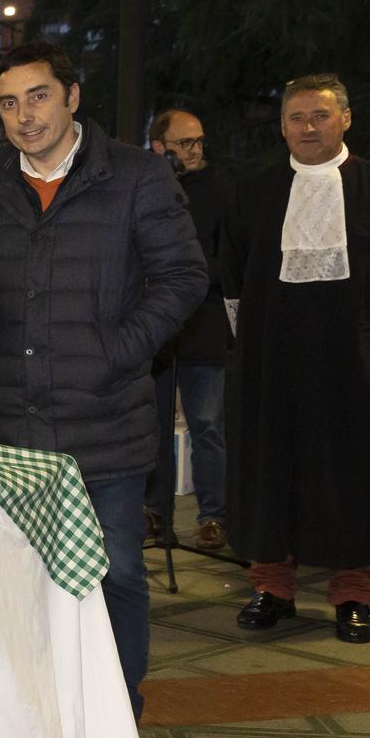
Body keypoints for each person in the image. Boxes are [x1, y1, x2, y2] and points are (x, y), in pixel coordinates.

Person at [0, 41, 206, 738]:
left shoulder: (136, 174)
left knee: (116, 577)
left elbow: (185, 276)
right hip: (14, 424)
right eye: (8, 103)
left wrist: (118, 350)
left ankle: (117, 735)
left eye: (37, 97)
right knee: (25, 587)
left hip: (108, 417)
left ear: (72, 97)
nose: (23, 116)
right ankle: (37, 729)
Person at [222, 74, 370, 645]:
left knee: (354, 473)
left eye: (321, 116)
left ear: (346, 119)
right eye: (297, 118)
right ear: (282, 125)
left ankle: (353, 595)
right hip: (271, 362)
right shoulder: (252, 192)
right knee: (269, 471)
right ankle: (272, 588)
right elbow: (231, 281)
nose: (308, 128)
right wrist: (246, 350)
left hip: (358, 361)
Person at [144, 109, 233, 551]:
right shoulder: (148, 187)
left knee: (208, 425)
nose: (195, 150)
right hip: (158, 330)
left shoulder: (221, 190)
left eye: (199, 141)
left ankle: (213, 515)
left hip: (207, 325)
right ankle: (156, 514)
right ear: (159, 147)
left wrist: (186, 273)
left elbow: (231, 258)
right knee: (153, 425)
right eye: (185, 143)